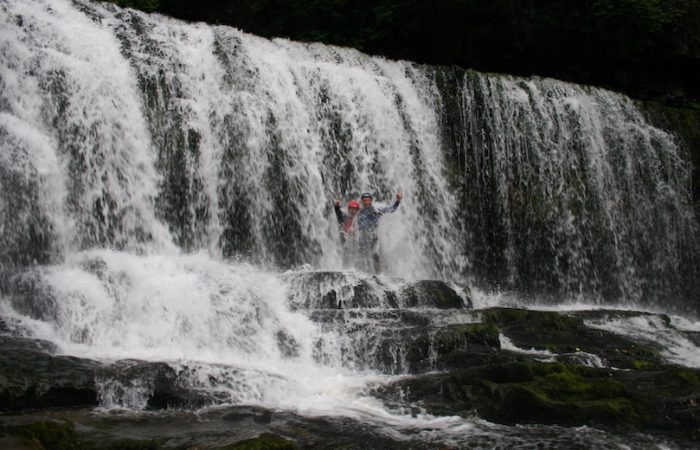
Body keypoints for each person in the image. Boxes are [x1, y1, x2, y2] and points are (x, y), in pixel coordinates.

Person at [356, 192, 402, 273]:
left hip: (374, 237)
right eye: (364, 200)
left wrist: (397, 201)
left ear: (371, 201)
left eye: (368, 200)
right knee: (362, 256)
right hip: (363, 237)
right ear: (362, 201)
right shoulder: (359, 210)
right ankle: (363, 273)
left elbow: (391, 209)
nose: (366, 202)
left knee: (374, 253)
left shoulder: (377, 209)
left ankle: (379, 274)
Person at [334, 199, 361, 266]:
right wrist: (337, 207)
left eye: (354, 209)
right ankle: (344, 265)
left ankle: (355, 266)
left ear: (357, 210)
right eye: (351, 209)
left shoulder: (359, 218)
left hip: (354, 239)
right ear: (348, 209)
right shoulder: (345, 216)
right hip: (345, 237)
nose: (353, 211)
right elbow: (339, 215)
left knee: (355, 252)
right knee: (345, 251)